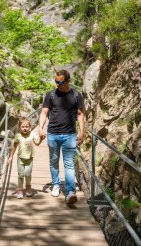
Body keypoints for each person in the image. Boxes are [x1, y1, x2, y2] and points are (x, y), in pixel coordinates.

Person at [38, 69, 85, 204]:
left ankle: (70, 192)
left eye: (61, 82)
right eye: (56, 81)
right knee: (54, 161)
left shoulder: (76, 95)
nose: (58, 84)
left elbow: (80, 114)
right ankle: (56, 185)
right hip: (52, 134)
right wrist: (40, 128)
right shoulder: (50, 95)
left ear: (68, 81)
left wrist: (81, 132)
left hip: (70, 135)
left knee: (69, 164)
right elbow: (44, 112)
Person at [8, 117, 45, 199]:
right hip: (20, 159)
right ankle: (20, 190)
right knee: (20, 175)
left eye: (27, 127)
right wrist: (11, 157)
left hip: (29, 159)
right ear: (19, 127)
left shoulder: (32, 134)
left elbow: (37, 143)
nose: (25, 128)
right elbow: (14, 146)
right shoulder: (18, 136)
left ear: (30, 127)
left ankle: (28, 188)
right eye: (23, 127)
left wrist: (41, 139)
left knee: (27, 174)